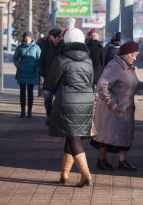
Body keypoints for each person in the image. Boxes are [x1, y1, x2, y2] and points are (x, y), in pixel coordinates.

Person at [44, 26, 94, 187]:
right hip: (86, 101)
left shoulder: (61, 59)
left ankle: (85, 174)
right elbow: (91, 81)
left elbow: (51, 82)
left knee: (73, 137)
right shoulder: (88, 60)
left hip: (67, 100)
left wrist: (55, 90)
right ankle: (64, 174)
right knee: (72, 135)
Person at [90, 41, 140, 172]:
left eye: (136, 55)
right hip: (111, 110)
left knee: (125, 136)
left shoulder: (128, 66)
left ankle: (122, 162)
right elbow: (102, 86)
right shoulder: (114, 66)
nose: (135, 58)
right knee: (106, 135)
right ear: (126, 54)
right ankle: (102, 160)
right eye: (133, 55)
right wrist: (112, 104)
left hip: (126, 108)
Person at [13, 31, 41, 118]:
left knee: (30, 92)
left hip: (32, 73)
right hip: (22, 72)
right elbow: (15, 58)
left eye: (28, 37)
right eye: (25, 37)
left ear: (31, 38)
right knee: (22, 92)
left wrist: (37, 69)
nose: (27, 39)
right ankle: (22, 111)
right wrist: (19, 66)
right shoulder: (20, 47)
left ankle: (29, 111)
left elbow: (39, 59)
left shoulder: (36, 47)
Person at [39, 28, 64, 125]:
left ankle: (58, 118)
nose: (57, 39)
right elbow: (41, 62)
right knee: (48, 98)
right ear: (51, 37)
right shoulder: (46, 47)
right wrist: (44, 72)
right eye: (55, 37)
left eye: (59, 36)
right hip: (48, 77)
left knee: (60, 99)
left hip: (61, 78)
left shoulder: (63, 47)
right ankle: (49, 116)